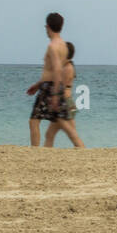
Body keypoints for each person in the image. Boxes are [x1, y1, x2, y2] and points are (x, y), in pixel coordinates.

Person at [27, 13, 83, 148]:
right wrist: (37, 85)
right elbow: (55, 70)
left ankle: (35, 150)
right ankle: (80, 147)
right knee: (63, 122)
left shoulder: (52, 46)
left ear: (48, 27)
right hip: (54, 87)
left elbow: (57, 70)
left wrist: (55, 94)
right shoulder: (64, 45)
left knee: (34, 121)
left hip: (49, 88)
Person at [45, 42, 82, 148]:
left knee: (72, 136)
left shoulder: (67, 68)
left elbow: (62, 88)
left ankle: (84, 153)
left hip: (65, 104)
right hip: (66, 103)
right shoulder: (67, 66)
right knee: (50, 134)